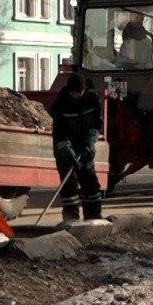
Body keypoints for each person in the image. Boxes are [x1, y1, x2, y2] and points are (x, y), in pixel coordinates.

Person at [51, 72, 103, 221]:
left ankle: (94, 218)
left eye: (79, 93)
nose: (77, 96)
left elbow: (97, 125)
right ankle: (71, 219)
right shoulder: (60, 104)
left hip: (85, 147)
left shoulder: (92, 99)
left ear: (84, 89)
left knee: (91, 184)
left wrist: (89, 142)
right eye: (74, 93)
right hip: (64, 149)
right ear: (69, 90)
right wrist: (68, 152)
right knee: (69, 186)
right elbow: (59, 133)